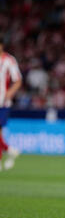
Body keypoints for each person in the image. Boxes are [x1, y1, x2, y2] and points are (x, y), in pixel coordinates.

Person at [0, 34, 22, 171]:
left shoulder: (9, 60)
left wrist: (9, 93)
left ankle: (7, 150)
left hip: (2, 102)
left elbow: (18, 80)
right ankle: (8, 149)